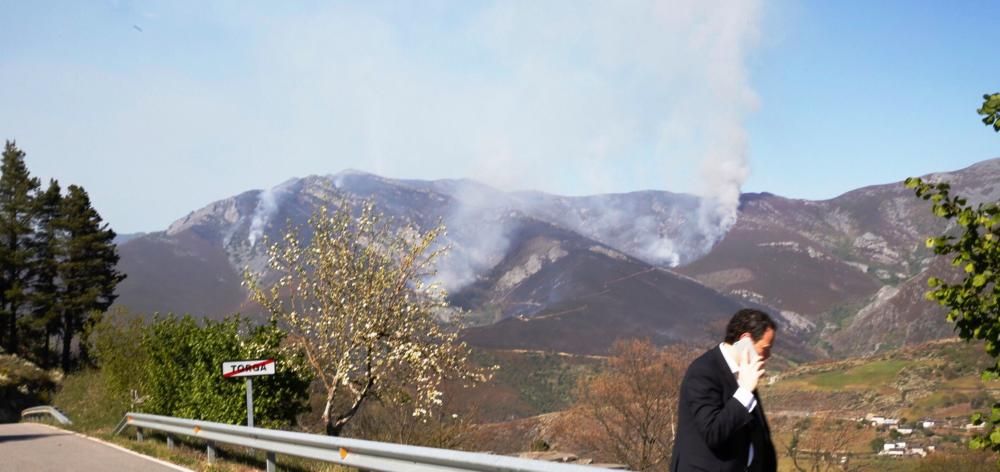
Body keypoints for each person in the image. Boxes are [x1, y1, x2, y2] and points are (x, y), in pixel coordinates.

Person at [671, 308, 778, 472]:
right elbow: (713, 432)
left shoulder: (743, 373)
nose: (768, 355)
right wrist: (744, 392)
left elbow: (758, 436)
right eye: (765, 348)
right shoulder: (703, 372)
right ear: (746, 341)